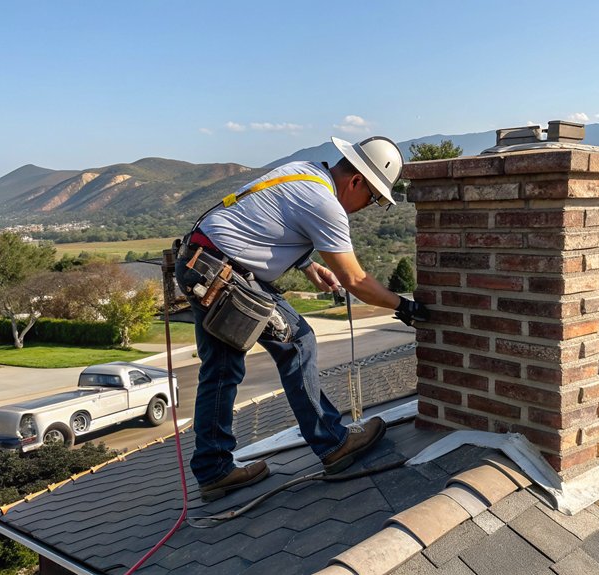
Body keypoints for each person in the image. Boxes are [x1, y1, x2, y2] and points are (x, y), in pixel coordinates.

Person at [175, 136, 430, 502]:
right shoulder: (326, 203)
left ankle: (214, 470)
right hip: (224, 274)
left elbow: (265, 222)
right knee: (297, 342)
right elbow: (355, 280)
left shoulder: (303, 173)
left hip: (200, 262)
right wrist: (404, 307)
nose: (368, 207)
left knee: (220, 369)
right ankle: (334, 443)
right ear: (356, 180)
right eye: (373, 198)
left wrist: (308, 265)